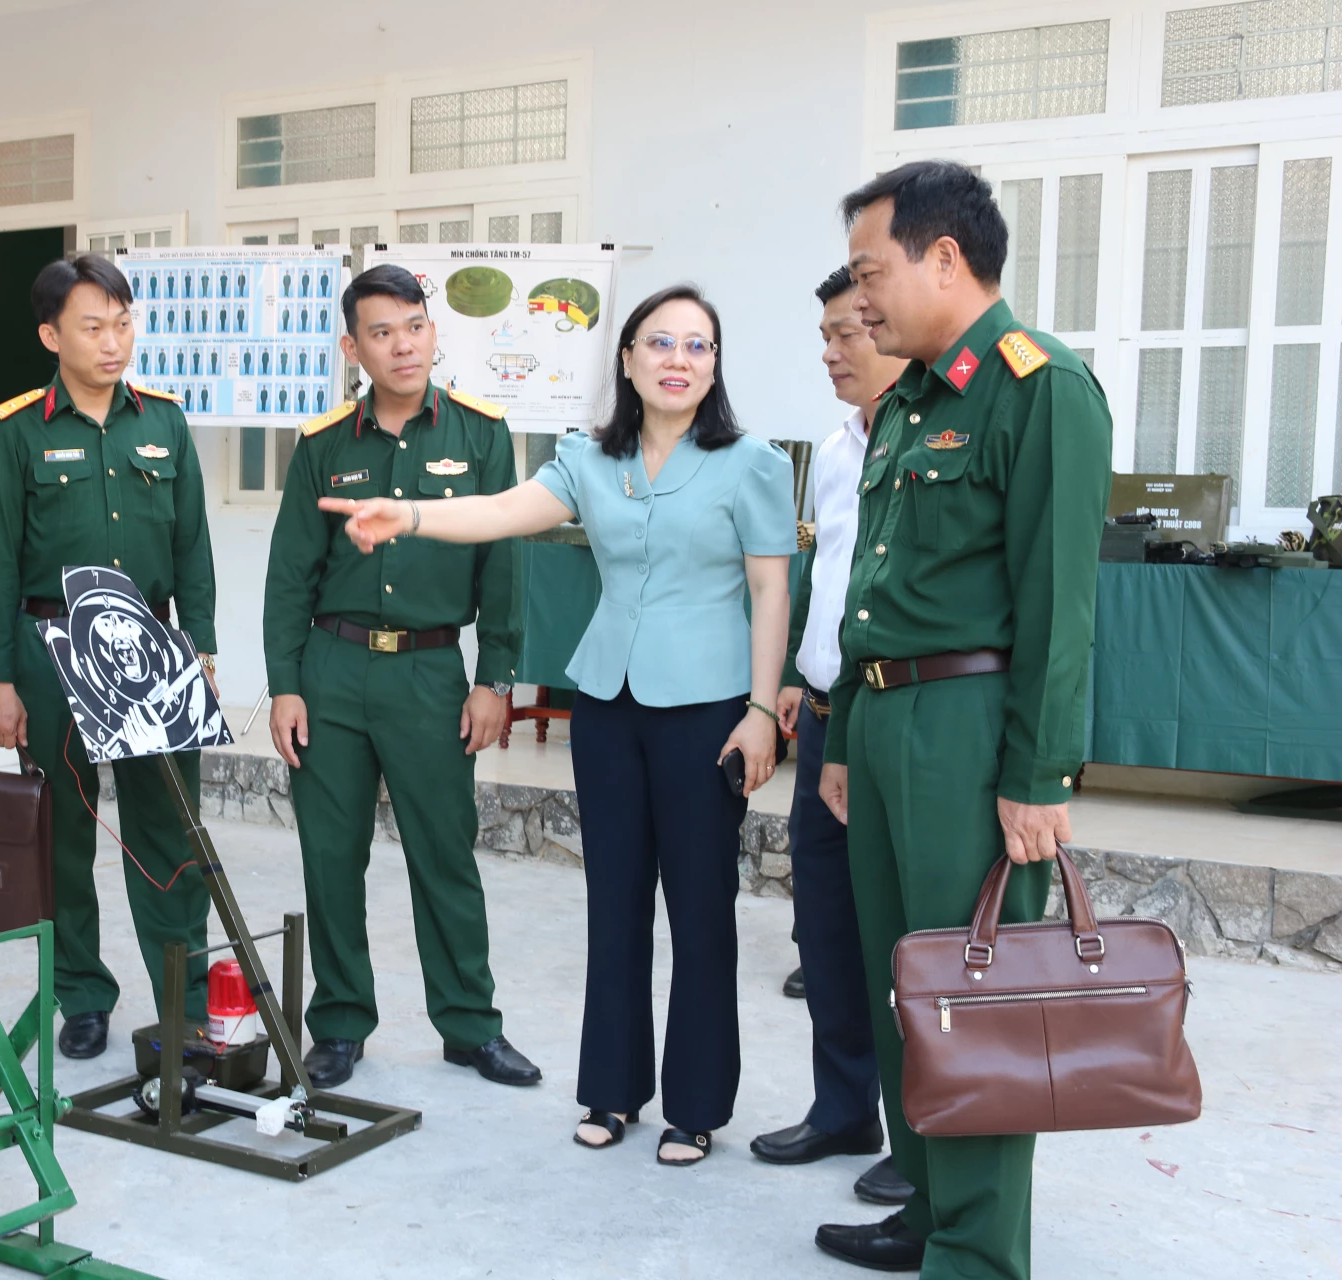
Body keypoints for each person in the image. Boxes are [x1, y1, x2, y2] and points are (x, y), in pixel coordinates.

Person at [319, 284, 796, 1165]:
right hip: (609, 706)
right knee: (612, 907)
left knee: (700, 914)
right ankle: (611, 1092)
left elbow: (771, 591)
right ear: (626, 359)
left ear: (715, 365)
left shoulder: (752, 463)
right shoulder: (587, 460)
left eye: (698, 347)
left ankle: (696, 1105)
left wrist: (764, 710)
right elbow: (503, 513)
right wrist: (411, 515)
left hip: (709, 713)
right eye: (660, 343)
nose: (678, 361)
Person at [813, 162, 1112, 1277]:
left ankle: (980, 1253)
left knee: (975, 999)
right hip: (886, 725)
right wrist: (845, 733)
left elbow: (1058, 602)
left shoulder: (1041, 387)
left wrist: (1040, 774)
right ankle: (929, 1208)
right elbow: (870, 592)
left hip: (969, 726)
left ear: (946, 257)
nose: (864, 300)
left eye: (873, 272)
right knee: (907, 988)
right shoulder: (916, 399)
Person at [262, 264, 537, 1091]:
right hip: (333, 672)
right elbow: (289, 576)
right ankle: (340, 1023)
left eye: (413, 326)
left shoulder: (481, 435)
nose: (402, 344)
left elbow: (503, 562)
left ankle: (469, 1024)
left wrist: (496, 677)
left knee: (444, 853)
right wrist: (285, 683)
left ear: (433, 332)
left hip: (429, 674)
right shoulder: (321, 448)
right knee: (330, 856)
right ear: (354, 347)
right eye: (381, 331)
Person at [0, 254, 218, 1061]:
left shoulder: (165, 423)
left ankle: (181, 998)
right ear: (51, 335)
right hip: (50, 652)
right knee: (62, 839)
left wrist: (202, 647)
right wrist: (0, 681)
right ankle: (80, 994)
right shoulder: (15, 431)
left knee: (170, 833)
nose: (113, 342)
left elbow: (193, 546)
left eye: (122, 322)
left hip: (151, 650)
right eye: (92, 326)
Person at [749, 266, 914, 1208]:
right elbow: (825, 574)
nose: (830, 352)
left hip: (888, 719)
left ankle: (919, 1132)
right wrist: (785, 680)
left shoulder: (924, 438)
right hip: (820, 715)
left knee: (901, 938)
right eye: (825, 334)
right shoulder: (837, 444)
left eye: (849, 333)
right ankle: (844, 1106)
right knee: (826, 926)